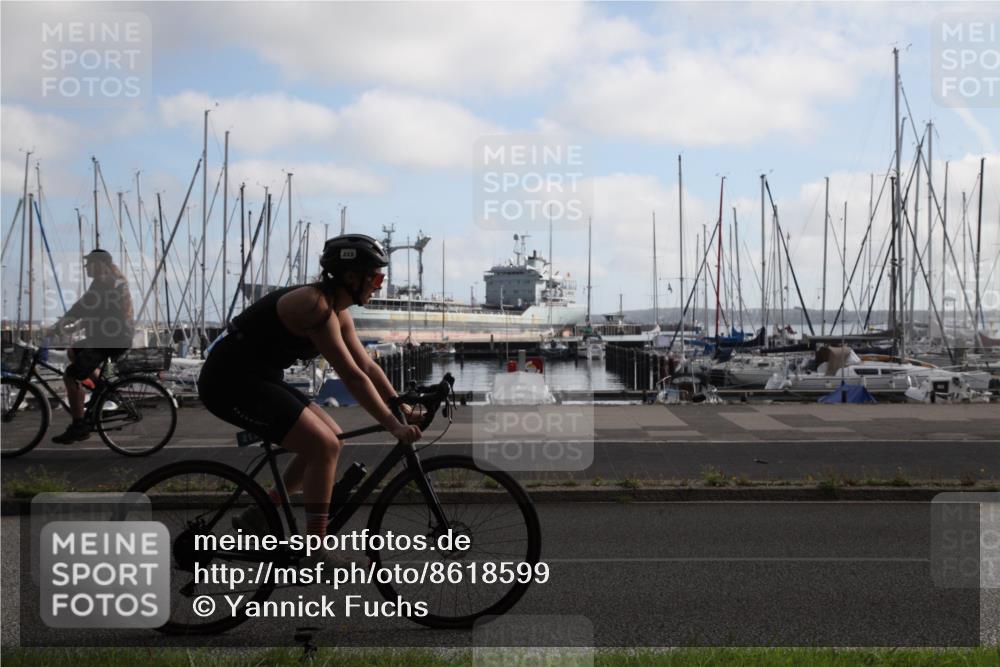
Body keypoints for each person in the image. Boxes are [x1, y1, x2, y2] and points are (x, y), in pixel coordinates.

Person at [197, 233, 421, 562]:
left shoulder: (337, 311)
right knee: (322, 446)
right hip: (228, 382)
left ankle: (260, 513)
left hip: (259, 378)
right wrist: (393, 425)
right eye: (375, 278)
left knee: (333, 438)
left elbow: (368, 366)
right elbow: (352, 376)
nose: (379, 285)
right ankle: (316, 549)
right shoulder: (315, 306)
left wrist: (401, 406)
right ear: (351, 277)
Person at [48, 248, 134, 444]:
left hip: (109, 341)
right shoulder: (112, 281)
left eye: (90, 263)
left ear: (101, 264)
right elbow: (100, 312)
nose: (86, 267)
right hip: (113, 338)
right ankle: (103, 388)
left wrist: (58, 326)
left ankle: (79, 426)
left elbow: (81, 307)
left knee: (71, 375)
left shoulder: (103, 282)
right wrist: (71, 326)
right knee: (73, 352)